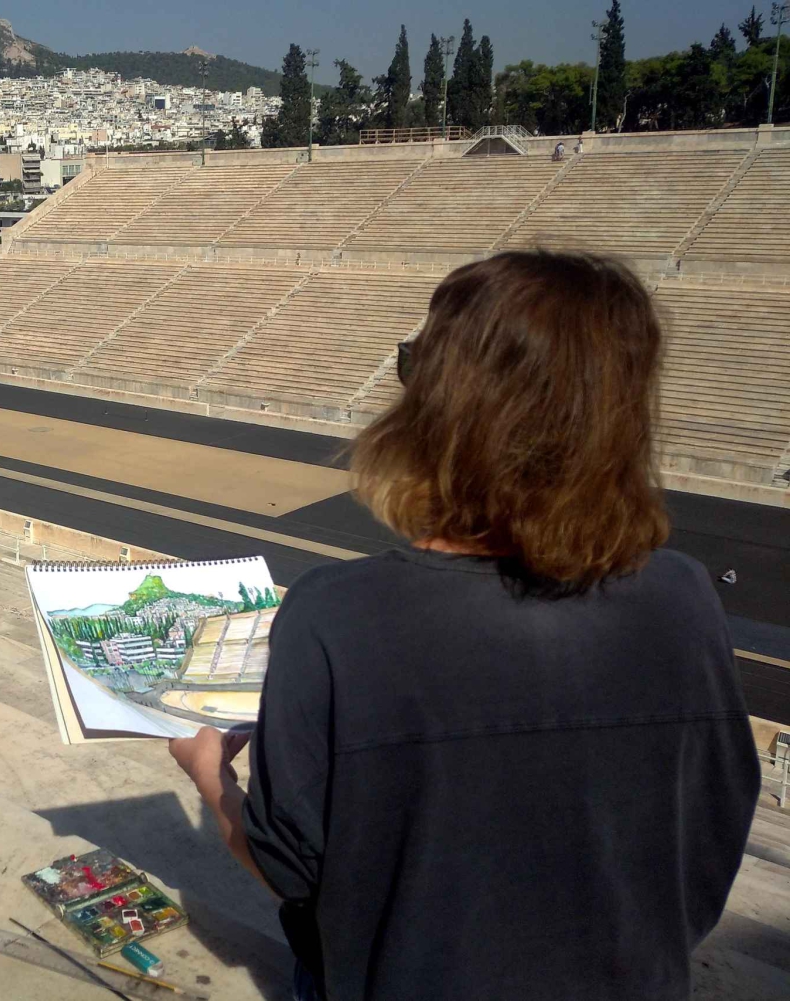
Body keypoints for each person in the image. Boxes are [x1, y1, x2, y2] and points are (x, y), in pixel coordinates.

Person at [169, 251, 759, 1001]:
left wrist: (211, 776)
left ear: (440, 411)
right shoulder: (684, 598)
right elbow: (711, 834)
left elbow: (287, 868)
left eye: (413, 364)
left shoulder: (334, 613)